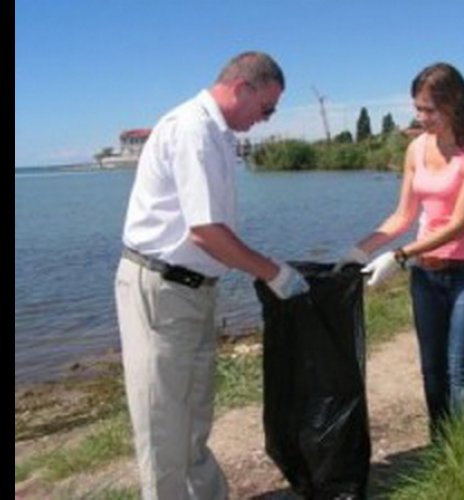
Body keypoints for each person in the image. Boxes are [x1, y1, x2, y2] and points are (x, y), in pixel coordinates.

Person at [115, 51, 309, 499]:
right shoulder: (193, 130)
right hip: (160, 290)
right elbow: (204, 232)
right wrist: (273, 273)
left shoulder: (219, 135)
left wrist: (259, 270)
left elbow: (210, 231)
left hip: (194, 290)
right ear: (243, 88)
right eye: (267, 108)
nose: (266, 119)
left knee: (194, 414)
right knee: (163, 422)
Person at [337, 62, 464, 439]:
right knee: (431, 370)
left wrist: (398, 256)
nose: (421, 117)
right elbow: (402, 215)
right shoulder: (415, 149)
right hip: (426, 274)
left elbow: (458, 223)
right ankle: (441, 447)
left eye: (429, 109)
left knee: (460, 373)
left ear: (455, 103)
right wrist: (358, 250)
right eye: (418, 108)